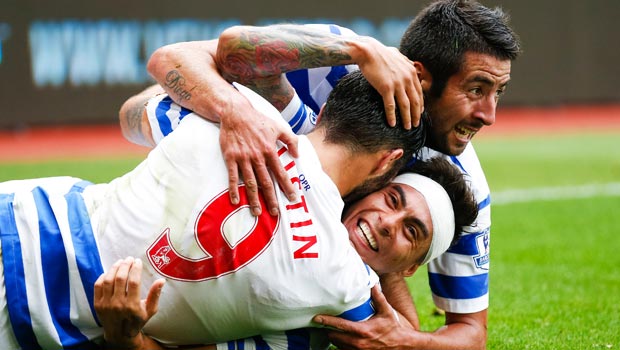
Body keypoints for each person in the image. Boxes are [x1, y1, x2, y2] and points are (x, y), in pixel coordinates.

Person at [138, 0, 521, 348]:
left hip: (315, 261)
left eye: (497, 93)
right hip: (216, 192)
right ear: (420, 79)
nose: (489, 115)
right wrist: (236, 114)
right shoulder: (339, 65)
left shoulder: (461, 190)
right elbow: (176, 64)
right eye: (476, 89)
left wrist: (409, 340)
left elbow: (471, 332)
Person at [0, 70, 473, 349]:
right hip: (39, 314)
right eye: (393, 200)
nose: (389, 224)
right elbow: (394, 333)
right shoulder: (344, 289)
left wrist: (224, 103)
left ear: (325, 111)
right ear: (387, 167)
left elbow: (132, 113)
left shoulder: (239, 107)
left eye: (411, 231)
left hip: (24, 208)